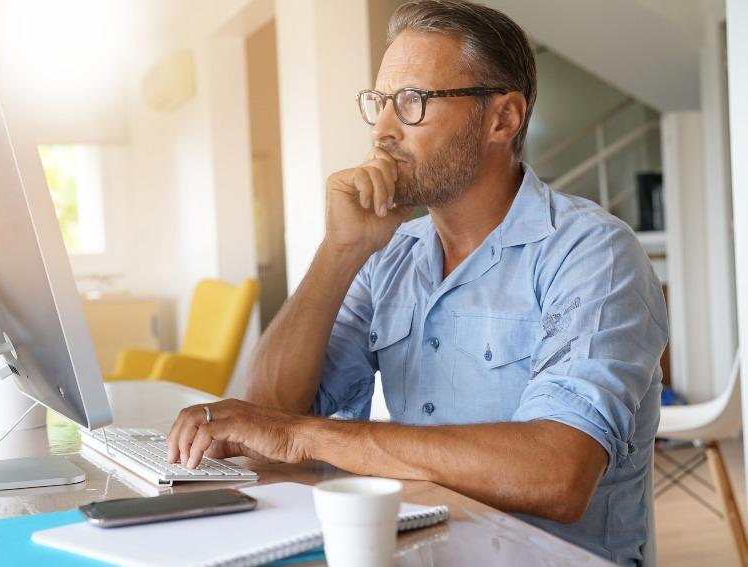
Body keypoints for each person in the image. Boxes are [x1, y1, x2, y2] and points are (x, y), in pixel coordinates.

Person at [167, 1, 667, 564]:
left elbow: (557, 473)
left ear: (502, 119)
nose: (382, 131)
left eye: (412, 102)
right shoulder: (390, 255)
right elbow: (269, 412)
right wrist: (341, 251)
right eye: (379, 103)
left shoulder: (592, 254)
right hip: (422, 550)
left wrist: (305, 435)